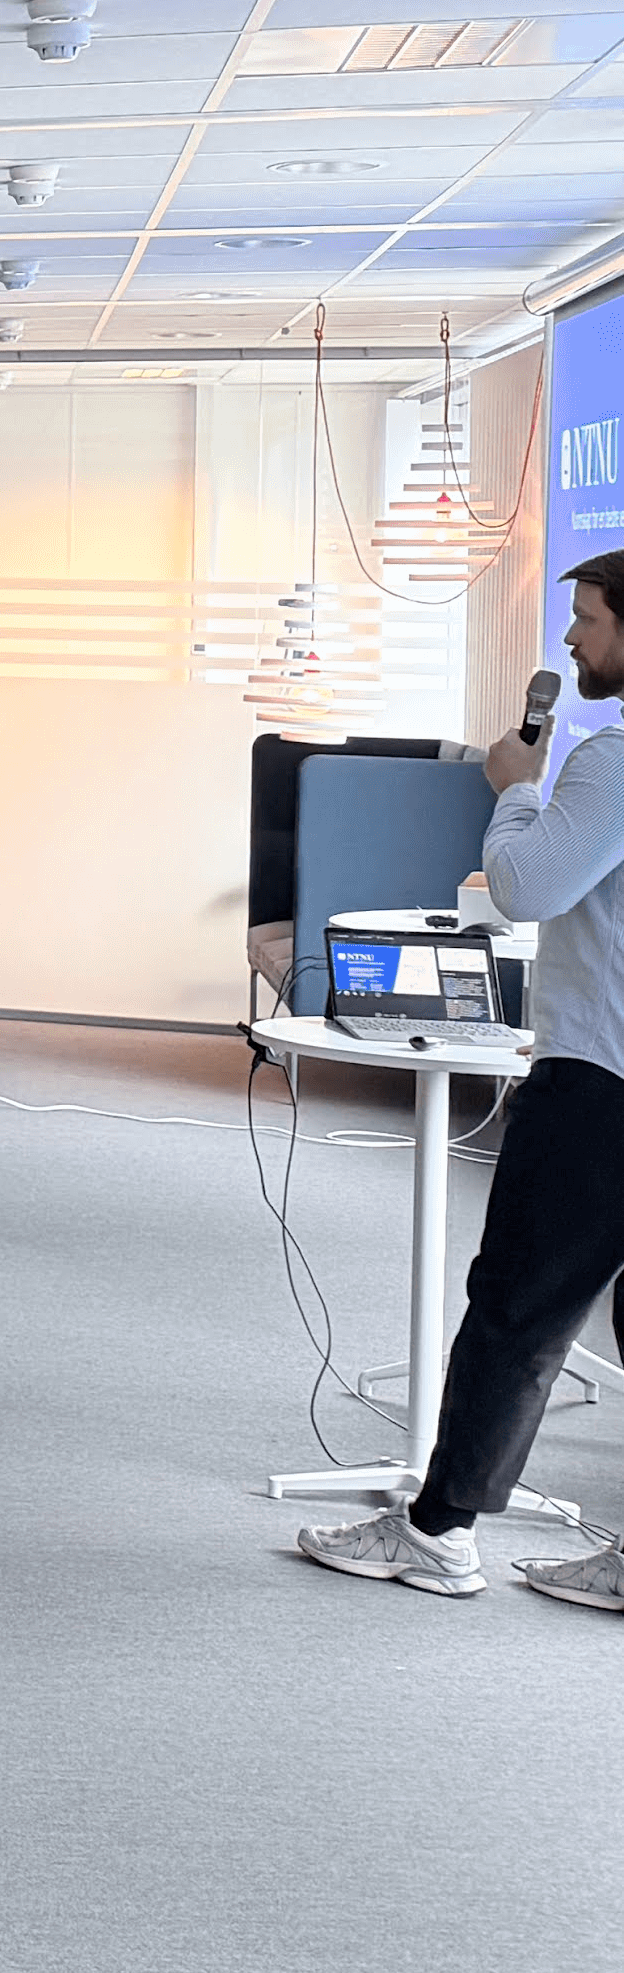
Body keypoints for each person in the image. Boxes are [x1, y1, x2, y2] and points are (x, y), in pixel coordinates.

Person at [308, 550, 624, 1605]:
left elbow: (526, 885)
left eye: (584, 620)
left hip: (598, 1085)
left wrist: (513, 789)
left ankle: (438, 1534)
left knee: (516, 1310)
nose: (570, 641)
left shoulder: (611, 755)